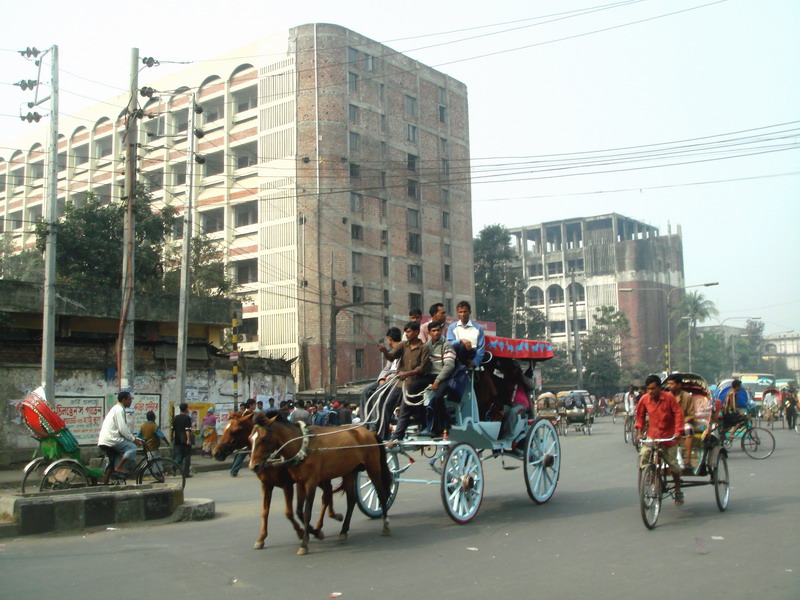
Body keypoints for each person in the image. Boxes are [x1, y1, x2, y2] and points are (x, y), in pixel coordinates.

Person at [635, 374, 685, 505]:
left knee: (673, 465)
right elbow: (640, 416)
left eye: (653, 389)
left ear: (659, 388)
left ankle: (678, 490)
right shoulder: (644, 399)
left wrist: (678, 431)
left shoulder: (669, 398)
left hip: (668, 436)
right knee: (644, 454)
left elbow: (678, 414)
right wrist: (639, 433)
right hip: (652, 435)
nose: (650, 392)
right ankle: (649, 473)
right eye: (648, 389)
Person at [379, 320, 431, 445]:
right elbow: (391, 356)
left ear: (417, 332)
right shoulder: (403, 345)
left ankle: (397, 437)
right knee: (387, 405)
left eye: (409, 332)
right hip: (399, 384)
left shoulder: (424, 348)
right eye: (406, 332)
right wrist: (385, 351)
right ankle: (383, 436)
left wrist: (406, 374)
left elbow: (422, 368)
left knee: (404, 409)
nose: (407, 334)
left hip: (413, 385)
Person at [98, 391, 142, 483]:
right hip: (111, 439)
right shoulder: (119, 409)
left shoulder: (116, 409)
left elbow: (123, 430)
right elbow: (123, 428)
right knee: (132, 447)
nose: (131, 401)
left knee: (113, 459)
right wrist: (134, 440)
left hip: (107, 439)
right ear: (124, 400)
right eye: (129, 399)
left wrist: (132, 437)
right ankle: (119, 467)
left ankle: (106, 482)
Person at [426, 320, 456, 435]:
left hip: (444, 377)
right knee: (412, 387)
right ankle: (423, 423)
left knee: (438, 397)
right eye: (433, 331)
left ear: (442, 331)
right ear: (429, 333)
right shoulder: (426, 346)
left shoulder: (447, 345)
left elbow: (449, 365)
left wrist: (437, 381)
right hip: (429, 376)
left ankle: (444, 425)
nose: (436, 333)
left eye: (438, 330)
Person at [665, 374, 696, 470]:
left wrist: (681, 422)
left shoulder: (687, 396)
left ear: (679, 385)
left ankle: (687, 459)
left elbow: (691, 414)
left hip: (684, 422)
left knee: (689, 430)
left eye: (672, 384)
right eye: (668, 384)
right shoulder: (665, 397)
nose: (669, 386)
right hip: (669, 423)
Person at [446, 301, 485, 370]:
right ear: (457, 313)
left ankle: (462, 365)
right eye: (460, 312)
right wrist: (461, 341)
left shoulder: (478, 328)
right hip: (456, 355)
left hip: (471, 354)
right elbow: (449, 342)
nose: (463, 314)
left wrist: (474, 362)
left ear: (470, 312)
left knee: (462, 346)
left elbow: (481, 348)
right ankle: (461, 365)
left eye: (465, 311)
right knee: (460, 345)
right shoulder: (452, 327)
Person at [230, 398, 256, 477]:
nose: (255, 406)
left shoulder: (247, 413)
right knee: (242, 453)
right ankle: (234, 471)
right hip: (246, 436)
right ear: (251, 405)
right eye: (254, 404)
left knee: (244, 453)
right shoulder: (247, 414)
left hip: (248, 436)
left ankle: (254, 468)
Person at [172, 402, 193, 478]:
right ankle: (186, 473)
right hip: (184, 439)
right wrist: (188, 439)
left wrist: (173, 438)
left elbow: (173, 429)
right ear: (186, 409)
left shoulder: (176, 418)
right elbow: (187, 429)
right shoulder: (187, 418)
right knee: (187, 455)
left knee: (179, 454)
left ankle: (174, 465)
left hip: (177, 438)